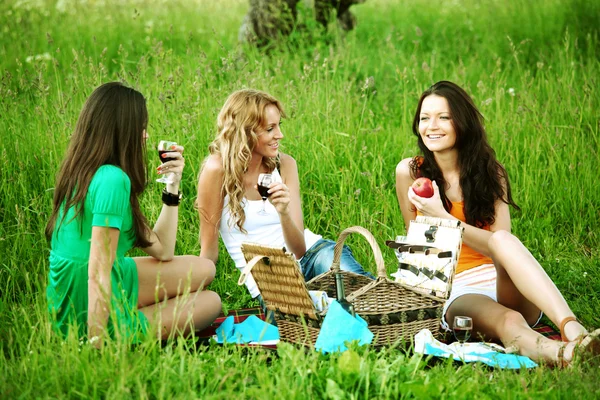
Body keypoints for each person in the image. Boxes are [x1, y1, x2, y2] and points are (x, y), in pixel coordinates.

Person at [395, 80, 599, 365]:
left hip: (504, 280)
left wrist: (445, 217)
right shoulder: (411, 172)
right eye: (424, 118)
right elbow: (420, 253)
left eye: (444, 117)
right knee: (509, 319)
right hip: (458, 287)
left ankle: (572, 327)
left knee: (503, 239)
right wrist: (437, 219)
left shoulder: (491, 173)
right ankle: (565, 354)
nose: (432, 126)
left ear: (462, 122)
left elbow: (499, 247)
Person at [46, 82, 221, 345]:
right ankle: (115, 331)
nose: (145, 136)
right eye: (141, 127)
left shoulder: (84, 170)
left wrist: (173, 186)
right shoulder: (113, 180)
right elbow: (97, 270)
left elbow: (163, 250)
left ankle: (133, 311)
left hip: (92, 281)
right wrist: (97, 341)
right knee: (210, 302)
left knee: (205, 268)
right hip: (86, 303)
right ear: (122, 130)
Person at [197, 88, 373, 304]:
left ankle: (406, 321)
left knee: (364, 292)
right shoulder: (217, 170)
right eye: (270, 129)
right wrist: (191, 296)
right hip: (271, 276)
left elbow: (299, 250)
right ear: (246, 131)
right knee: (305, 322)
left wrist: (283, 213)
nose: (279, 135)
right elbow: (208, 252)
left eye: (279, 125)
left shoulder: (285, 164)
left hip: (312, 254)